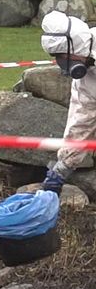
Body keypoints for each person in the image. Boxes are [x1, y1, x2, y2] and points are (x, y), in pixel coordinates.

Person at [40, 10, 96, 195]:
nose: (61, 63)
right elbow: (81, 121)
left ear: (76, 47)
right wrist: (62, 168)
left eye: (63, 57)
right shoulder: (85, 81)